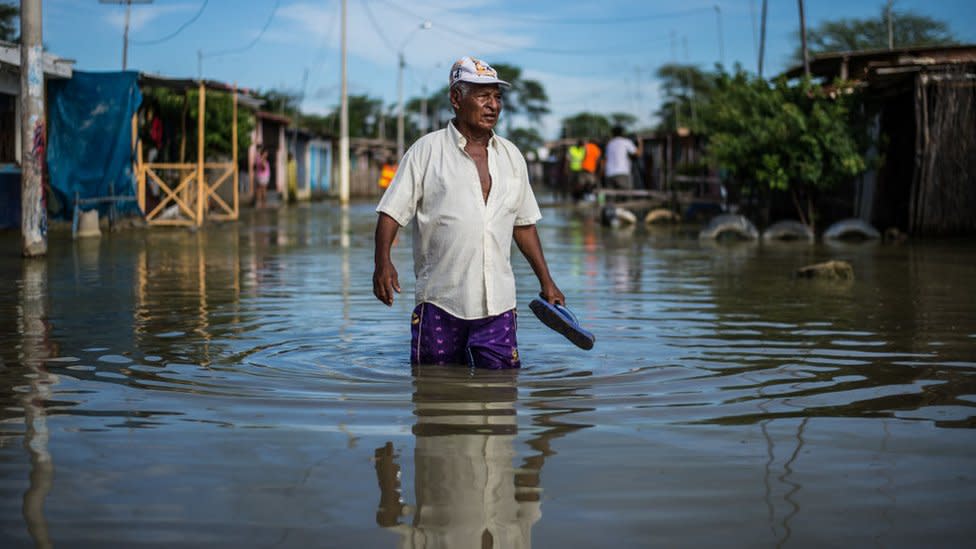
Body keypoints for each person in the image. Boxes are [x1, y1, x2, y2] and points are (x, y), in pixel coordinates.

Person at [372, 55, 565, 370]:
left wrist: (547, 282)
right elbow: (391, 213)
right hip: (440, 301)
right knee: (433, 392)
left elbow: (524, 225)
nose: (493, 105)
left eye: (497, 97)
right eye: (483, 95)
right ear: (456, 99)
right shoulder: (426, 151)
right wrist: (383, 262)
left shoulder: (511, 156)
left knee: (502, 397)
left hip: (499, 304)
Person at [603, 125, 641, 190]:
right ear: (622, 133)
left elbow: (605, 159)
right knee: (625, 197)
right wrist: (640, 143)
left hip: (609, 174)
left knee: (611, 198)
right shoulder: (626, 142)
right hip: (622, 173)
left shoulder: (609, 144)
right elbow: (638, 154)